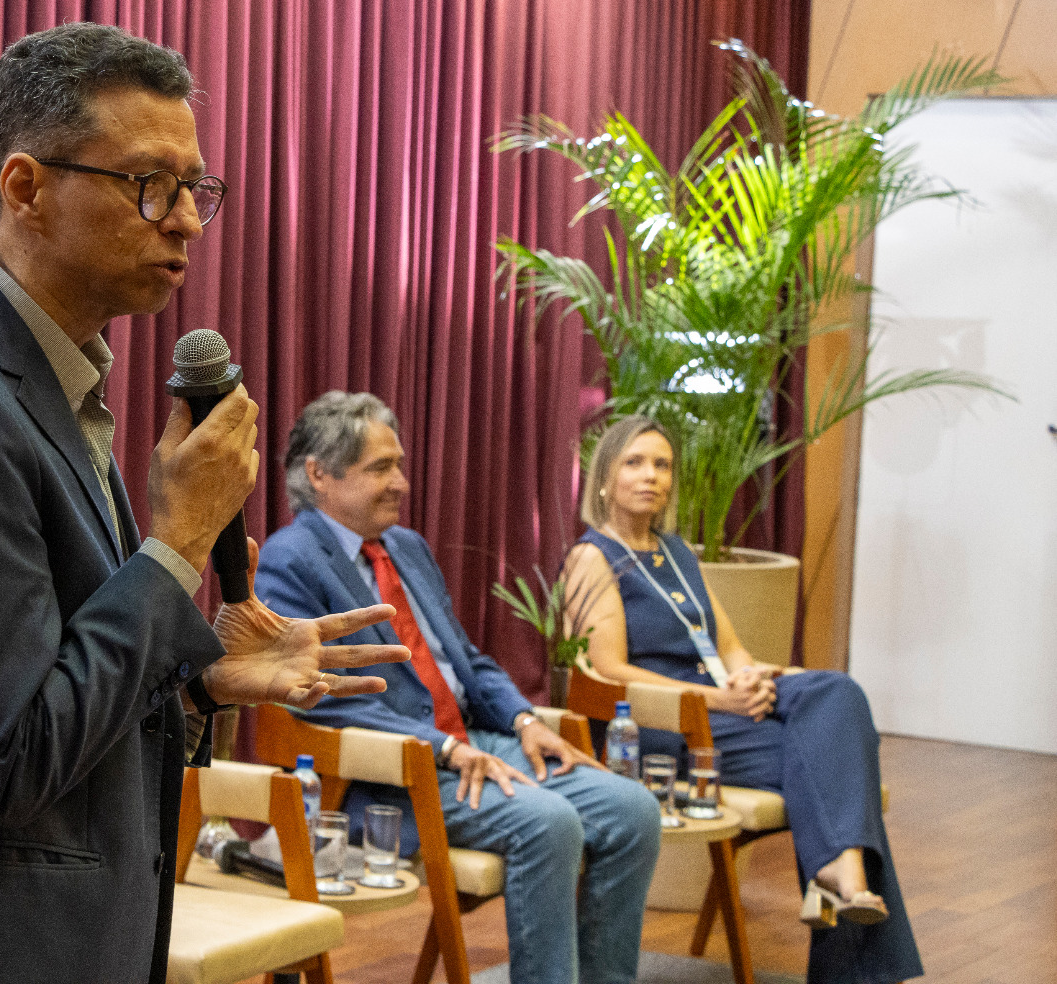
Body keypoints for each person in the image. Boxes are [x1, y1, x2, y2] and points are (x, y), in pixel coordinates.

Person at [0, 23, 406, 984]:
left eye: (196, 188)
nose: (187, 221)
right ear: (26, 188)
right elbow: (13, 759)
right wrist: (177, 545)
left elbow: (51, 686)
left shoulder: (45, 382)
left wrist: (197, 685)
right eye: (149, 184)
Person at [256, 391, 662, 984]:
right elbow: (317, 697)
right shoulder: (289, 560)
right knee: (549, 824)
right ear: (319, 474)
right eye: (380, 468)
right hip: (392, 774)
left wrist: (525, 720)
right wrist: (444, 747)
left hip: (476, 742)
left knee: (634, 811)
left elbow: (466, 661)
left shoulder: (407, 548)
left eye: (399, 465)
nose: (401, 483)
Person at [563, 415, 923, 984]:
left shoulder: (676, 552)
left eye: (662, 465)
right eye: (635, 462)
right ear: (605, 477)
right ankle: (845, 881)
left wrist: (750, 677)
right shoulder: (593, 557)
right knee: (841, 768)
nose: (651, 476)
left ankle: (839, 868)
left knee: (837, 691)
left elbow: (727, 645)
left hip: (722, 705)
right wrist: (716, 699)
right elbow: (607, 671)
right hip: (665, 722)